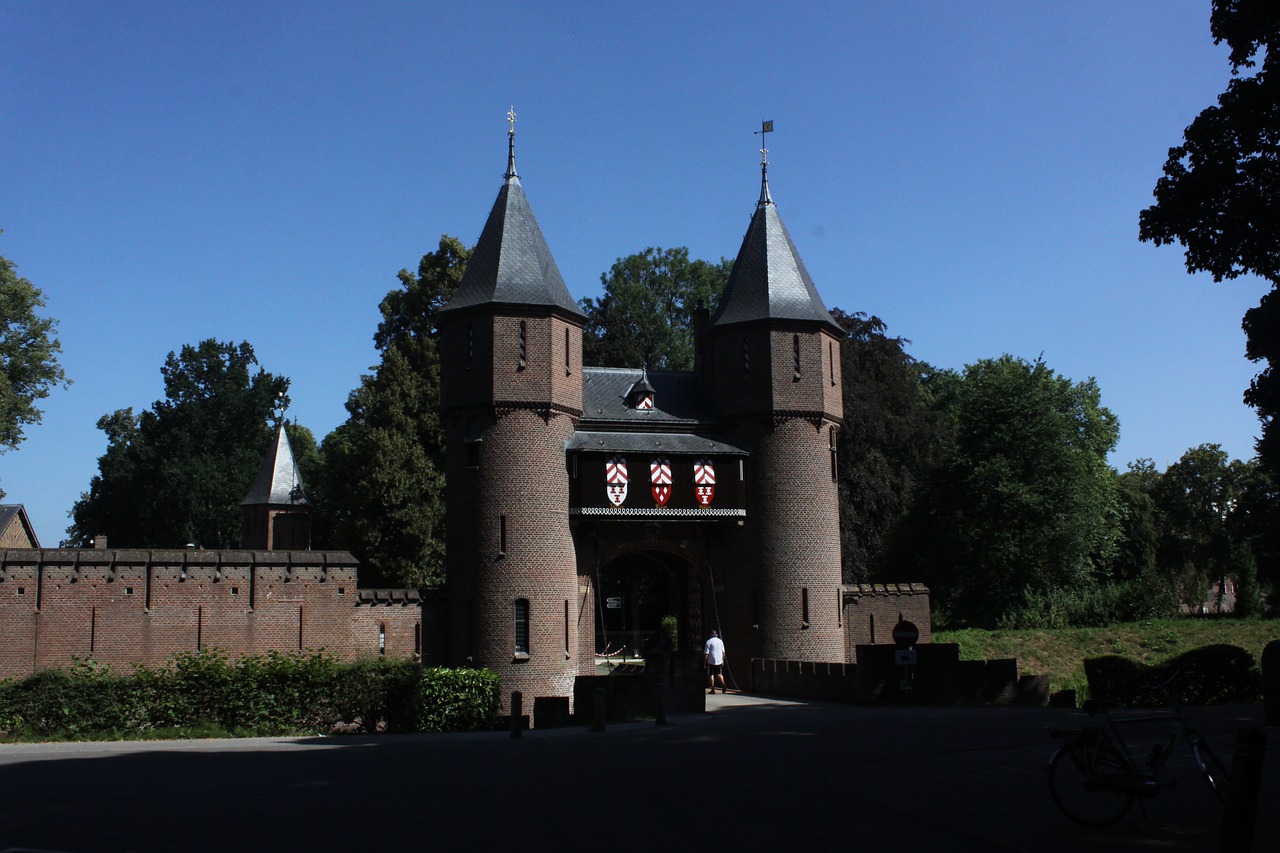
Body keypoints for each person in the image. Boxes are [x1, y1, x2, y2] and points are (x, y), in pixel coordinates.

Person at [704, 629, 726, 694]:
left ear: (710, 635)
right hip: (719, 660)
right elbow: (723, 652)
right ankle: (723, 684)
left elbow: (706, 653)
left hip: (711, 660)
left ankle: (713, 689)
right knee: (719, 673)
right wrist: (722, 660)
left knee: (711, 674)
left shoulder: (708, 642)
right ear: (716, 634)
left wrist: (704, 662)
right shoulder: (720, 641)